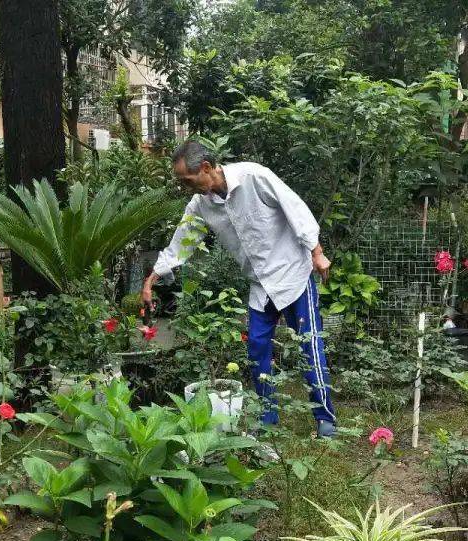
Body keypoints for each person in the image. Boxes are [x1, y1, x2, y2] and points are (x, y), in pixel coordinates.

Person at [142, 141, 337, 437]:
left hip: (293, 274)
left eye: (187, 180)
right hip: (260, 285)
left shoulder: (254, 177)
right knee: (257, 349)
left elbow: (294, 208)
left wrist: (317, 252)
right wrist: (152, 278)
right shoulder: (201, 205)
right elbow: (182, 241)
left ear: (206, 168)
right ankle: (266, 419)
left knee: (309, 345)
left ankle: (325, 418)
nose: (185, 187)